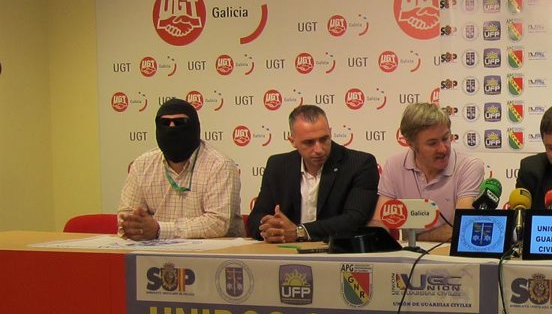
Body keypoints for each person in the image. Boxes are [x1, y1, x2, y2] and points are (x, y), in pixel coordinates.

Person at [249, 104, 378, 243]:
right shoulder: (277, 165)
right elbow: (256, 218)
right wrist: (273, 229)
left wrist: (300, 232)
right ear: (293, 141)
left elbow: (355, 220)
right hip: (285, 251)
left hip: (335, 251)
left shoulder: (359, 164)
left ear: (330, 132)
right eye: (309, 142)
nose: (319, 149)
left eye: (324, 139)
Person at [118, 98, 242, 240]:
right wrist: (134, 226)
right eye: (165, 123)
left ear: (195, 127)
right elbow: (127, 216)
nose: (171, 128)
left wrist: (159, 230)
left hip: (213, 252)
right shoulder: (142, 165)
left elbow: (217, 223)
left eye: (179, 122)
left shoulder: (219, 165)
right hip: (154, 251)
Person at [372, 102, 484, 242]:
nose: (443, 149)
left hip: (449, 254)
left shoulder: (469, 166)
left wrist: (416, 238)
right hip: (409, 254)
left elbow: (461, 227)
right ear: (411, 144)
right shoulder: (394, 165)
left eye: (445, 138)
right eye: (432, 143)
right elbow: (379, 221)